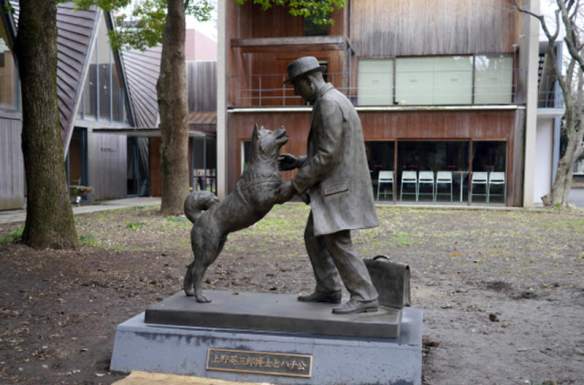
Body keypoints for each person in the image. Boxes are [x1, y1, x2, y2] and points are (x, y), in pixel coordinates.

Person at [277, 56, 379, 314]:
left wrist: (295, 185)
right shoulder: (335, 100)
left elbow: (327, 156)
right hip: (337, 185)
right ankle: (329, 288)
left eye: (295, 86)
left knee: (336, 241)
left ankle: (365, 295)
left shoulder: (328, 104)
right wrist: (300, 161)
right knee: (314, 236)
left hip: (337, 189)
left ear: (308, 81)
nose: (295, 93)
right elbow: (332, 150)